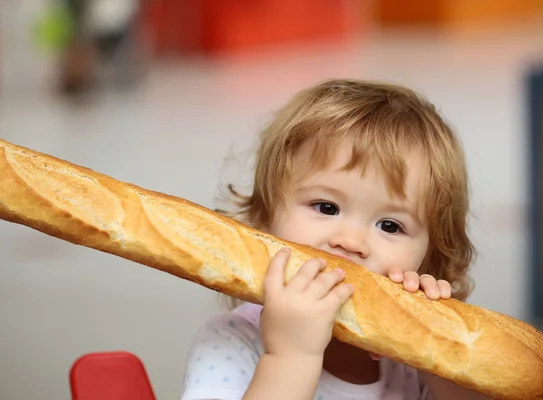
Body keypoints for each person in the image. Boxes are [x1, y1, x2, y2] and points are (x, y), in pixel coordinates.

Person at [180, 79, 489, 400]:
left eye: (390, 225)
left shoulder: (414, 367)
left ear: (430, 259)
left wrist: (444, 362)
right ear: (262, 225)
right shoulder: (231, 342)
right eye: (326, 207)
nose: (351, 241)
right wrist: (291, 358)